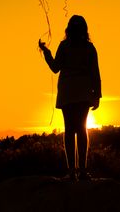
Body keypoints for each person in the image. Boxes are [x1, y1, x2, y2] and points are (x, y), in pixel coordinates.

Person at [39, 15, 102, 181]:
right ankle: (82, 171)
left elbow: (55, 67)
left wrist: (46, 53)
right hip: (83, 93)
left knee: (69, 131)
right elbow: (95, 73)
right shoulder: (89, 48)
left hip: (67, 92)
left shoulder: (64, 46)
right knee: (81, 130)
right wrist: (98, 95)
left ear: (69, 29)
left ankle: (72, 171)